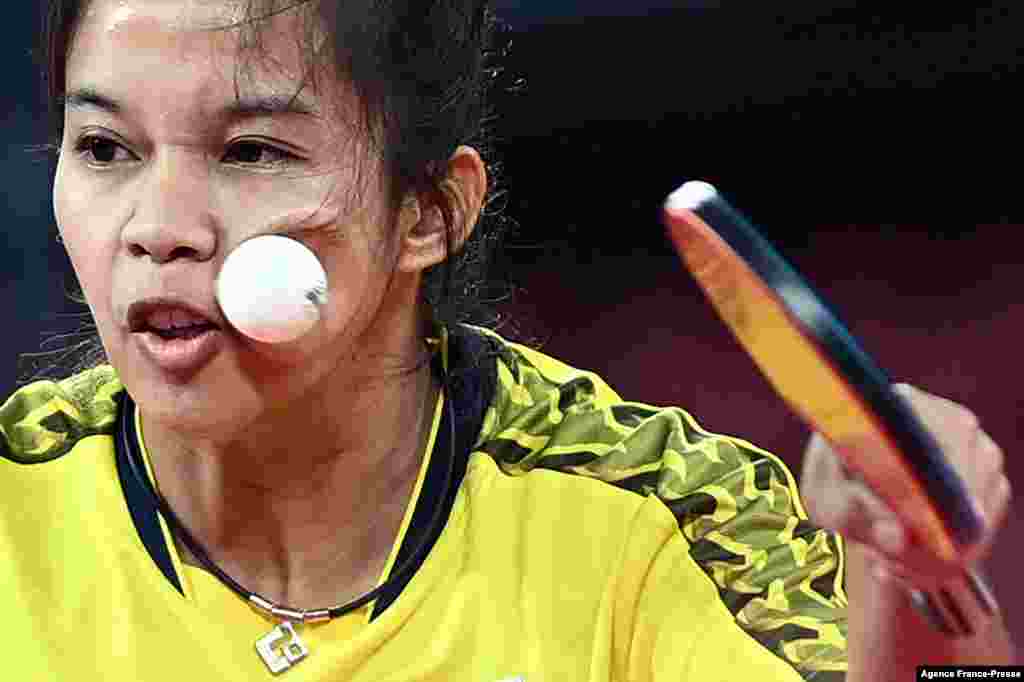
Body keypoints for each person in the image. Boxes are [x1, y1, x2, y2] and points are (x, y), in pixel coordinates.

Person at [1, 0, 1013, 679]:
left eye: (252, 149)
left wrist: (918, 580)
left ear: (429, 212)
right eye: (104, 147)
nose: (156, 224)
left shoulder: (665, 519)